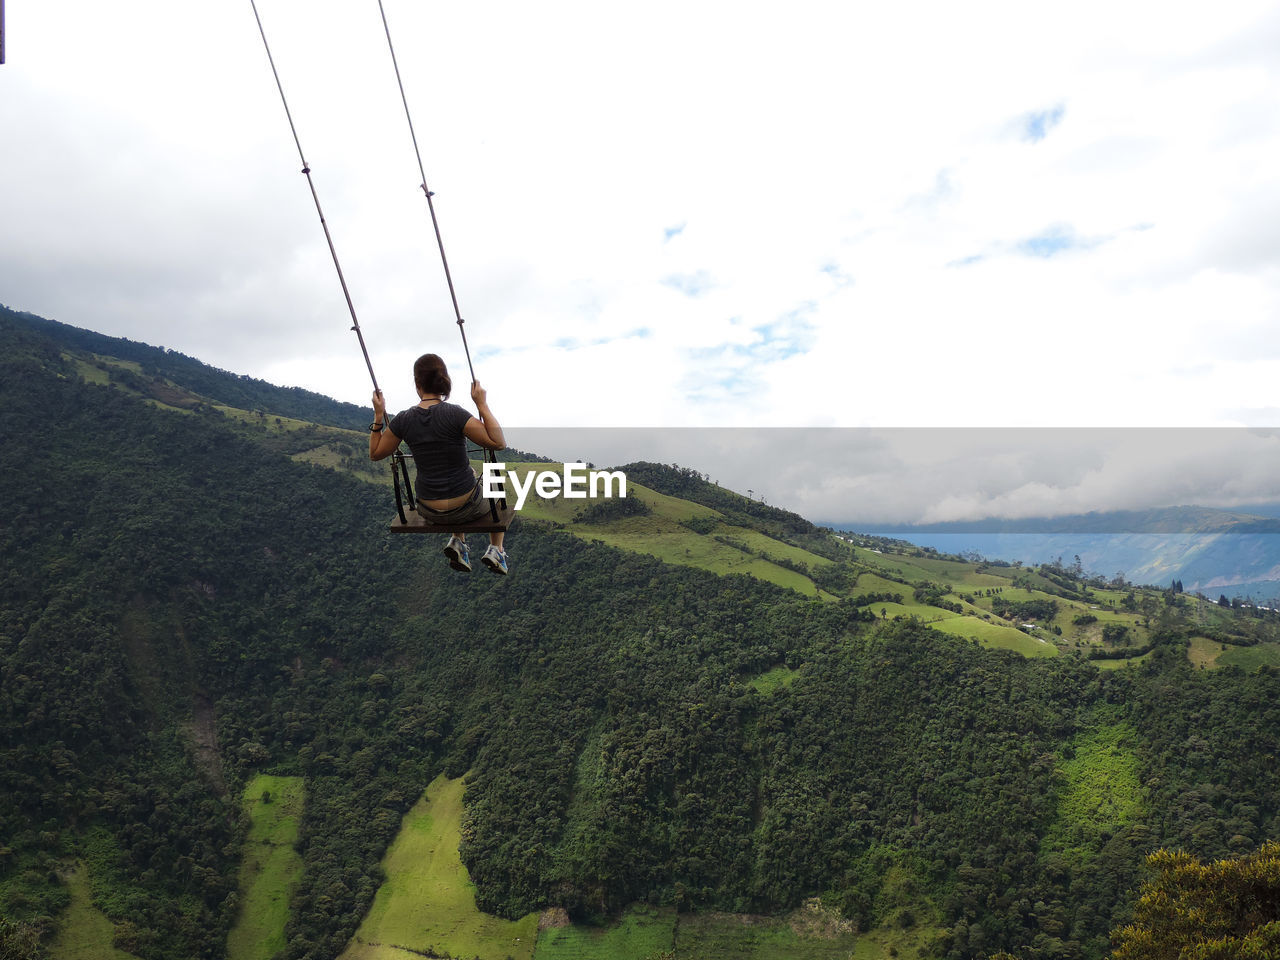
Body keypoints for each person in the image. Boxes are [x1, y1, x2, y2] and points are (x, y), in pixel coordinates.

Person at [370, 353, 508, 574]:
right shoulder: (454, 414)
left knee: (462, 475)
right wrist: (482, 404)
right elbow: (498, 442)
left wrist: (379, 416)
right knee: (491, 477)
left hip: (429, 509)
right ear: (444, 381)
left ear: (417, 384)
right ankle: (497, 550)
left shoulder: (404, 419)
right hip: (466, 506)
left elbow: (376, 453)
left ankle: (457, 542)